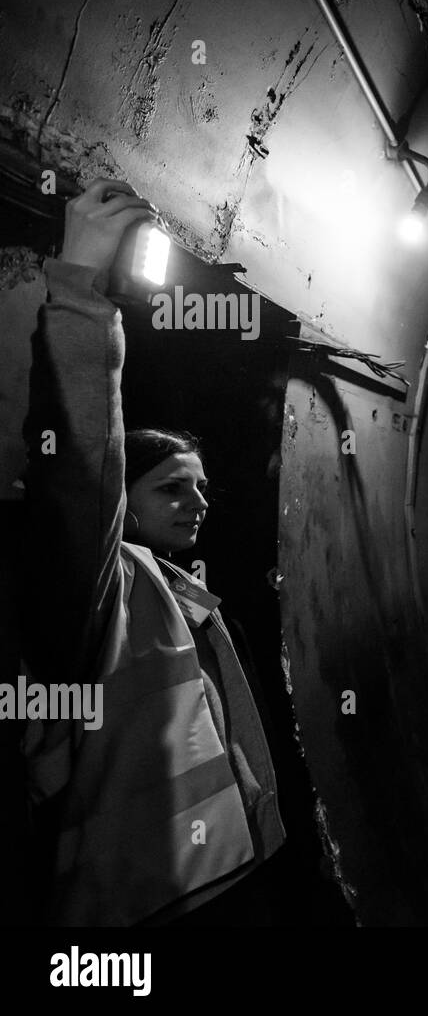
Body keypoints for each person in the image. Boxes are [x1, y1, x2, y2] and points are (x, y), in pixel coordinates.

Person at [20, 178, 286, 926]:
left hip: (223, 882)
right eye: (171, 489)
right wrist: (79, 287)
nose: (198, 505)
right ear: (121, 502)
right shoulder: (109, 590)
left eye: (202, 489)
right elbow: (76, 474)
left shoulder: (183, 594)